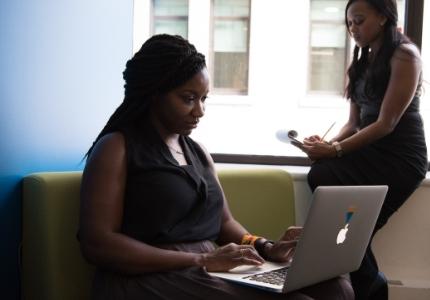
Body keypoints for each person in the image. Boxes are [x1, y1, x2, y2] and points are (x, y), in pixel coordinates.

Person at [78, 34, 354, 300]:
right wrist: (202, 259)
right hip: (145, 277)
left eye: (203, 98)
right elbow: (98, 243)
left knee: (335, 288)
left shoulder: (197, 152)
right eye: (188, 98)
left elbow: (225, 224)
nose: (199, 111)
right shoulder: (117, 147)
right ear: (153, 94)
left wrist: (265, 246)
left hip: (206, 268)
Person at [299, 1, 428, 300]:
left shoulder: (405, 56)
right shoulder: (361, 62)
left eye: (359, 20)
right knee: (322, 179)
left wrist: (336, 151)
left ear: (383, 17)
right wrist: (327, 145)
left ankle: (371, 287)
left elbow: (386, 123)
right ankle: (372, 288)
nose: (352, 29)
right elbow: (353, 122)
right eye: (349, 23)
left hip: (400, 159)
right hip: (369, 152)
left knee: (351, 235)